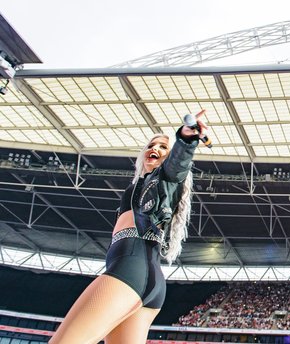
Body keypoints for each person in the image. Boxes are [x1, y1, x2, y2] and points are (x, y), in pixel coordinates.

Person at [50, 110, 209, 344]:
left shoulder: (165, 180)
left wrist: (185, 140)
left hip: (130, 270)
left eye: (164, 147)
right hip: (145, 278)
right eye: (152, 144)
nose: (155, 148)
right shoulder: (139, 185)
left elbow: (177, 165)